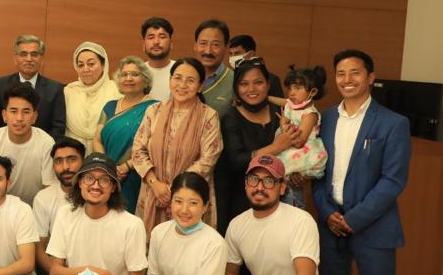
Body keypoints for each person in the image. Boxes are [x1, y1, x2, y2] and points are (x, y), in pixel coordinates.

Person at [313, 49, 411, 275]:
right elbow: (316, 170)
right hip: (330, 225)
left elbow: (393, 180)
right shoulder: (325, 119)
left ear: (370, 78)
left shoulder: (394, 123)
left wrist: (354, 219)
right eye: (341, 74)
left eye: (355, 73)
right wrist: (326, 212)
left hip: (374, 226)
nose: (347, 79)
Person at [226, 155, 325, 275]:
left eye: (269, 181)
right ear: (246, 184)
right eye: (254, 180)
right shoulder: (236, 225)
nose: (260, 187)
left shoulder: (300, 220)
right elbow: (230, 273)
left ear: (282, 188)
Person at [132, 58, 223, 235]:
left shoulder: (209, 116)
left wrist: (175, 190)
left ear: (200, 86)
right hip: (154, 192)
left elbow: (208, 159)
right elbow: (138, 149)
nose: (182, 85)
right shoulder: (154, 111)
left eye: (190, 80)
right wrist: (155, 183)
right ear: (170, 80)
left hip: (190, 197)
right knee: (153, 249)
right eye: (177, 78)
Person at [219, 59, 299, 230]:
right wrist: (275, 148)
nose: (251, 89)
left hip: (281, 200)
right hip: (241, 201)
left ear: (268, 84)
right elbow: (236, 161)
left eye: (258, 82)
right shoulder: (230, 118)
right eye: (244, 84)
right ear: (236, 87)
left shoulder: (281, 112)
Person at [94, 56, 158, 214]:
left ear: (145, 80)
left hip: (137, 175)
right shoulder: (109, 106)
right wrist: (107, 167)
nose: (128, 78)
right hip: (107, 174)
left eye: (134, 74)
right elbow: (97, 139)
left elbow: (153, 145)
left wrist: (126, 166)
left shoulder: (155, 108)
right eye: (124, 74)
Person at [0, 84, 55, 204]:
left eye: (26, 112)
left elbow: (49, 188)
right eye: (13, 111)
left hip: (36, 208)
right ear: (4, 115)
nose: (19, 118)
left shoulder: (46, 143)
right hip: (0, 206)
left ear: (34, 117)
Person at [271, 66, 329, 207]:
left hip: (300, 152)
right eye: (290, 88)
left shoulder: (310, 114)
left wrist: (283, 124)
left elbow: (299, 141)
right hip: (286, 148)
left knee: (291, 191)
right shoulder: (293, 105)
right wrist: (266, 98)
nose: (291, 93)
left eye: (297, 88)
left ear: (313, 92)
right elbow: (282, 101)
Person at [0, 34, 66, 138]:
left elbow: (58, 127)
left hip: (42, 150)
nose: (29, 59)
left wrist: (44, 147)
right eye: (23, 54)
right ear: (15, 59)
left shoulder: (55, 89)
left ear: (41, 59)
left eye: (34, 54)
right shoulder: (0, 85)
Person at [32, 137, 85, 275]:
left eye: (71, 159)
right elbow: (39, 248)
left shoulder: (95, 194)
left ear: (83, 162)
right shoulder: (43, 198)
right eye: (59, 161)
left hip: (91, 272)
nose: (65, 167)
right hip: (55, 273)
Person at [64, 42, 120, 147]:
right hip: (72, 154)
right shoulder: (68, 92)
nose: (85, 69)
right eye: (80, 65)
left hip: (106, 153)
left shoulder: (116, 91)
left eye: (91, 64)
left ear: (103, 65)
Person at [194, 19, 234, 117]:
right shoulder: (182, 78)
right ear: (195, 45)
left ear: (226, 47)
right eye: (203, 43)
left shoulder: (235, 81)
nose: (208, 51)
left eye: (215, 44)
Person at [140, 17, 175, 102]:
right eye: (151, 37)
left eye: (162, 37)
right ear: (143, 44)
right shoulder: (137, 73)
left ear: (171, 44)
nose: (156, 42)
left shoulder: (181, 71)